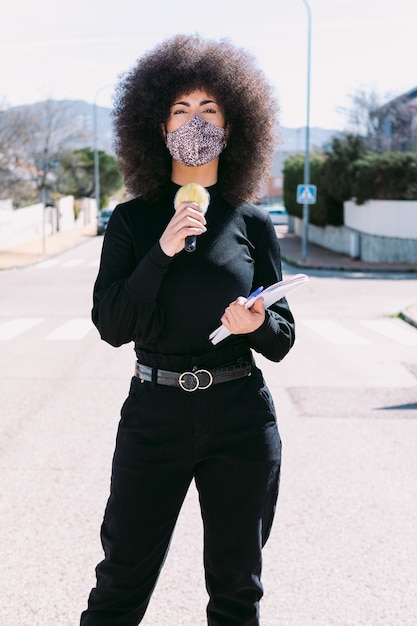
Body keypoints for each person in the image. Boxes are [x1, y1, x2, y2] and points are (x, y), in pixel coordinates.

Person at [80, 34, 295, 626]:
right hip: (155, 413)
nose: (195, 122)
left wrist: (254, 324)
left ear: (234, 127)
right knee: (120, 584)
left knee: (237, 591)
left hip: (240, 415)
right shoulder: (132, 219)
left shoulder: (251, 220)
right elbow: (112, 324)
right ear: (156, 124)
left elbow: (281, 336)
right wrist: (162, 251)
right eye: (181, 109)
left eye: (210, 111)